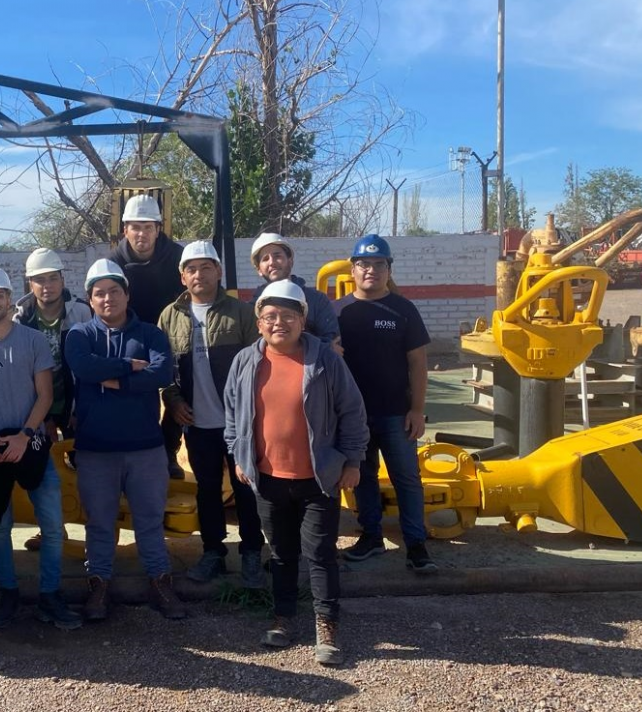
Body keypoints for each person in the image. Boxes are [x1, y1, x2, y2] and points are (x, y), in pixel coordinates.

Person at [224, 280, 368, 666]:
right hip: (268, 479)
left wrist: (352, 461)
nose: (279, 323)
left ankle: (327, 626)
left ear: (302, 319)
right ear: (259, 323)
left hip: (318, 479)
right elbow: (233, 414)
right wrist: (239, 456)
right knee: (283, 554)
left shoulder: (325, 361)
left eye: (288, 315)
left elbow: (352, 412)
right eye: (270, 316)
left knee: (320, 554)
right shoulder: (245, 362)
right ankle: (283, 618)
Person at [0, 266, 82, 631]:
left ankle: (50, 594)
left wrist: (26, 434)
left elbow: (44, 394)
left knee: (53, 526)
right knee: (0, 525)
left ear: (11, 299)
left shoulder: (32, 341)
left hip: (32, 443)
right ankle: (7, 592)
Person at [64, 258, 185, 621]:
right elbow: (82, 367)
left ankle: (160, 583)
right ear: (89, 299)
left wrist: (114, 380)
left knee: (149, 521)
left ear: (126, 294)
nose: (107, 299)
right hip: (96, 449)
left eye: (114, 291)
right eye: (99, 293)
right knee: (99, 523)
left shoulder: (150, 334)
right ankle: (99, 585)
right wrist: (129, 367)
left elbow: (161, 372)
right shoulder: (79, 336)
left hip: (145, 447)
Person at [158, 241, 263, 587]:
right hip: (197, 424)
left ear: (218, 271)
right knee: (207, 491)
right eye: (191, 268)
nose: (198, 274)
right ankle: (213, 552)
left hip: (238, 424)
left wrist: (248, 413)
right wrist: (173, 400)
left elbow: (259, 366)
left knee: (245, 488)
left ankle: (251, 554)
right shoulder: (169, 316)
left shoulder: (242, 312)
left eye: (206, 267)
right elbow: (163, 370)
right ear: (182, 275)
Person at [334, 234, 437, 574]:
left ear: (388, 269)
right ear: (353, 269)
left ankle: (416, 545)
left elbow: (418, 364)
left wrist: (417, 409)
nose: (371, 270)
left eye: (379, 264)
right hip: (353, 418)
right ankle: (371, 537)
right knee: (363, 477)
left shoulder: (403, 309)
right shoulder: (339, 313)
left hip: (396, 414)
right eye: (364, 264)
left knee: (406, 478)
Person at [13, 248, 91, 552]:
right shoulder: (22, 319)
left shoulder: (82, 312)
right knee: (43, 472)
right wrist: (39, 416)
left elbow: (87, 366)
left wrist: (78, 409)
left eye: (52, 278)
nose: (47, 286)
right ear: (30, 284)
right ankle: (52, 530)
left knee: (85, 469)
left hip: (74, 405)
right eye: (39, 280)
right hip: (39, 406)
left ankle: (94, 535)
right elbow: (21, 372)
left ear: (62, 279)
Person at [110, 194, 187, 479]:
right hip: (131, 332)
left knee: (180, 390)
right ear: (125, 230)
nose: (141, 233)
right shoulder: (114, 261)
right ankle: (132, 449)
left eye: (148, 226)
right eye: (135, 227)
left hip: (172, 331)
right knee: (131, 390)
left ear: (158, 229)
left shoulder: (178, 258)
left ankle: (169, 450)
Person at [248, 231, 341, 349]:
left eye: (277, 256)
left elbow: (333, 343)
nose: (272, 262)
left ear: (290, 261)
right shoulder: (252, 307)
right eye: (265, 259)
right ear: (259, 270)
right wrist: (322, 347)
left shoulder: (317, 300)